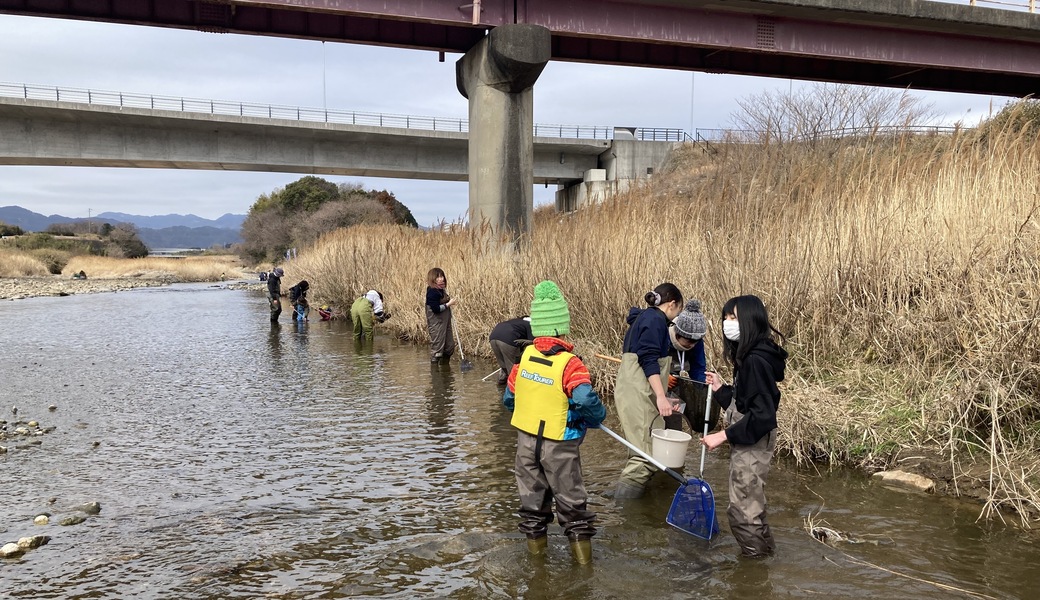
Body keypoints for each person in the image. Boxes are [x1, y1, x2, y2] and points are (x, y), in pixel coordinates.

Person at [502, 280, 606, 565]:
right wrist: (597, 417)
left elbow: (509, 399)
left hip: (526, 444)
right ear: (561, 327)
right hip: (559, 444)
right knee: (573, 510)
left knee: (533, 509)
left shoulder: (524, 359)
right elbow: (585, 400)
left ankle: (538, 569)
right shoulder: (570, 364)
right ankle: (584, 572)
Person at [701, 295, 788, 558]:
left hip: (753, 442)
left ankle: (754, 570)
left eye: (734, 318)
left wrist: (722, 435)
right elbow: (745, 404)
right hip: (751, 439)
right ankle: (766, 559)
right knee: (751, 507)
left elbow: (762, 416)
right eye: (726, 317)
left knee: (742, 512)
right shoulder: (751, 356)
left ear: (750, 320)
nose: (727, 323)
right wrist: (721, 389)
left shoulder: (754, 361)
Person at [613, 283, 685, 500]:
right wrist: (661, 397)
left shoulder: (644, 318)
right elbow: (648, 359)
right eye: (679, 309)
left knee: (641, 451)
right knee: (645, 458)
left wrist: (663, 397)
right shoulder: (655, 321)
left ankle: (619, 498)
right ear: (672, 304)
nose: (677, 315)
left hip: (634, 391)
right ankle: (624, 510)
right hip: (638, 392)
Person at [664, 299, 710, 433]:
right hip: (653, 385)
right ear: (678, 334)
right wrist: (663, 377)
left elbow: (698, 368)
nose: (692, 345)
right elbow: (647, 363)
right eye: (689, 341)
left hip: (676, 386)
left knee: (673, 428)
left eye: (696, 341)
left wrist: (704, 383)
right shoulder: (662, 335)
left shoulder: (696, 342)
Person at [488, 316, 533, 385]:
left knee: (504, 367)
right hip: (508, 340)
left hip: (493, 337)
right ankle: (514, 388)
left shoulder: (517, 322)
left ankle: (501, 385)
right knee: (513, 369)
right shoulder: (530, 325)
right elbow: (532, 344)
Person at [424, 267, 456, 362]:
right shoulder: (432, 292)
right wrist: (448, 304)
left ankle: (445, 367)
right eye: (438, 277)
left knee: (449, 347)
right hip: (437, 323)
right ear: (433, 279)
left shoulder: (442, 290)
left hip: (446, 322)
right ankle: (435, 369)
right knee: (437, 349)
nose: (441, 279)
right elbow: (436, 309)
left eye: (442, 276)